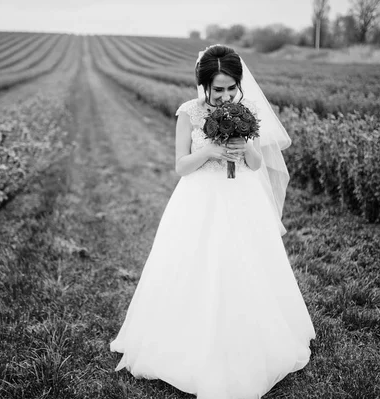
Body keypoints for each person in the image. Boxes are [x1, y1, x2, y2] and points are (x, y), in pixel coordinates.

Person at [110, 44, 315, 399]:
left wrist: (244, 145)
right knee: (198, 265)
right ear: (204, 86)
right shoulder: (188, 113)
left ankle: (251, 339)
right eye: (217, 89)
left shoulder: (247, 110)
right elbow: (180, 166)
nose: (224, 96)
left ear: (239, 84)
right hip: (200, 199)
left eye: (230, 88)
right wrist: (209, 151)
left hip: (242, 200)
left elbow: (254, 165)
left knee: (245, 266)